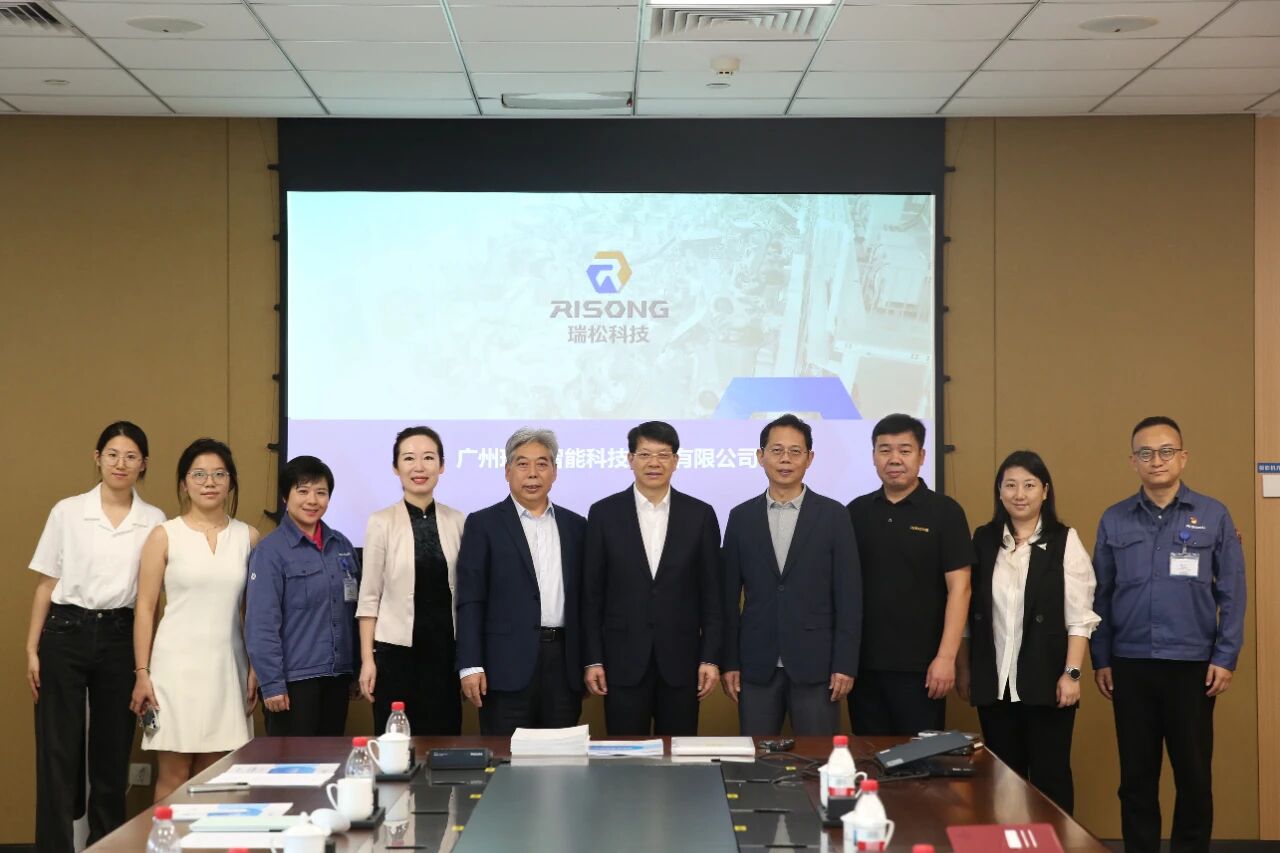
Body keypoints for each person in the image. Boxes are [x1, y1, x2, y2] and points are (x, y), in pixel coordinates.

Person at [1091, 416, 1246, 853]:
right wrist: (1100, 659)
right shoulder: (1114, 519)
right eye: (1145, 453)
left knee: (1193, 778)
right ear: (1133, 461)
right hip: (1130, 665)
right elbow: (1100, 595)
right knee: (1136, 779)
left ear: (1183, 457)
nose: (1156, 460)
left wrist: (1225, 656)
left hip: (1192, 666)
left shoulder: (1213, 515)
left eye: (1165, 451)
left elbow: (1233, 591)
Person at [26, 422, 166, 853]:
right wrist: (31, 648)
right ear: (97, 458)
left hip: (120, 636)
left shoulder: (154, 520)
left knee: (111, 754)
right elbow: (47, 584)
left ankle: (107, 846)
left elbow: (152, 599)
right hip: (64, 633)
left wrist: (146, 663)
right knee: (57, 753)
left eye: (131, 456)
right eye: (112, 454)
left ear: (144, 464)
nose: (121, 463)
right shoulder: (67, 511)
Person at [957, 450, 1099, 814]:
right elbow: (971, 612)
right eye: (1010, 485)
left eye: (1029, 485)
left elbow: (1080, 617)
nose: (1019, 494)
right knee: (1002, 781)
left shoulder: (1064, 540)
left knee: (1051, 777)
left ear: (1045, 491)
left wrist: (1072, 674)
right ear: (999, 491)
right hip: (995, 684)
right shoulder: (984, 539)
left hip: (1048, 682)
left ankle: (1056, 840)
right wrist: (965, 668)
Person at [130, 438, 258, 802]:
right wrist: (142, 673)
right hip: (174, 671)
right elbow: (145, 608)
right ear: (184, 483)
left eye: (219, 474)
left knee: (216, 777)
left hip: (227, 668)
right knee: (174, 776)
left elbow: (252, 612)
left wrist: (255, 668)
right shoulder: (164, 535)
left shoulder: (248, 536)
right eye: (199, 474)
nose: (209, 482)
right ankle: (166, 835)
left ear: (231, 483)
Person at [721, 414, 861, 736]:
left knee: (819, 758)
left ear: (809, 458)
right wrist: (729, 661)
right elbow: (727, 599)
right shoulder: (741, 517)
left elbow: (849, 597)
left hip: (818, 667)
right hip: (756, 665)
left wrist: (844, 663)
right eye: (777, 450)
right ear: (761, 456)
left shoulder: (834, 515)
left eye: (795, 451)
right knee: (757, 758)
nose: (785, 459)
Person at [581, 421, 722, 736]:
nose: (654, 463)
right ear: (630, 459)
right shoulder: (603, 514)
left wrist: (711, 657)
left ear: (675, 461)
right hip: (621, 662)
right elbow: (591, 595)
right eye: (644, 454)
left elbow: (712, 595)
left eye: (663, 455)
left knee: (679, 755)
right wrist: (593, 659)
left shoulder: (700, 515)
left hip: (683, 663)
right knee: (625, 756)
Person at [847, 413, 974, 736]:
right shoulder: (856, 512)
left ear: (922, 456)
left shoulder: (945, 512)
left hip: (924, 669)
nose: (894, 459)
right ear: (873, 456)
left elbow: (960, 589)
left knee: (919, 761)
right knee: (869, 757)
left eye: (904, 450)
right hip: (864, 667)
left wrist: (946, 658)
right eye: (885, 450)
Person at [454, 427, 587, 736]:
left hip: (563, 665)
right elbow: (471, 599)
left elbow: (587, 600)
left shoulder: (576, 526)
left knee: (560, 758)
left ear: (554, 471)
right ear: (507, 471)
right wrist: (470, 663)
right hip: (504, 667)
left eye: (542, 464)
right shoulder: (483, 524)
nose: (532, 473)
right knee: (506, 757)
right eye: (522, 464)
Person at [357, 426, 467, 735]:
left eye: (428, 458)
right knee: (396, 747)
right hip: (395, 656)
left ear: (441, 466)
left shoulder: (458, 520)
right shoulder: (381, 521)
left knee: (444, 745)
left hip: (445, 656)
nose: (419, 467)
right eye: (409, 458)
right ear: (396, 467)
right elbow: (369, 597)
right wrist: (367, 660)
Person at [246, 455, 360, 736]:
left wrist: (354, 670)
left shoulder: (342, 545)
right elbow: (261, 624)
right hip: (293, 682)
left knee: (330, 759)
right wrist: (271, 683)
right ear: (286, 496)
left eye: (321, 492)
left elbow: (354, 614)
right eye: (303, 491)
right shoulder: (270, 551)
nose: (312, 500)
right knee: (293, 762)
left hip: (337, 677)